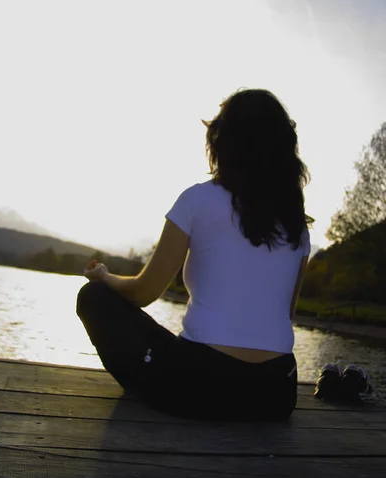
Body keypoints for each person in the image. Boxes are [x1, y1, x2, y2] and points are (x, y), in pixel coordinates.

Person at [76, 88, 313, 421]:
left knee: (94, 298)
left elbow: (145, 292)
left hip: (200, 385)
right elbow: (284, 314)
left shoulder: (198, 201)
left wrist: (104, 277)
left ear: (223, 142)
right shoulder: (297, 227)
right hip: (275, 394)